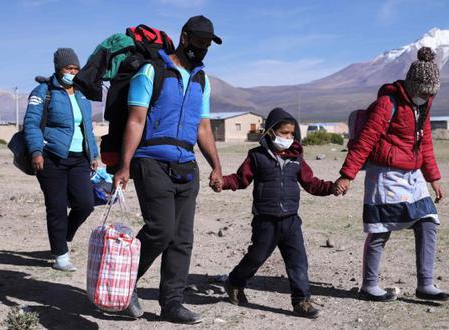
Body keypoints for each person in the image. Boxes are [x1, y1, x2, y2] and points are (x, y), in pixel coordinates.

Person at [112, 15, 223, 324]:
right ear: (184, 38)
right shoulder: (153, 71)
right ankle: (124, 284)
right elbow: (136, 120)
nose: (202, 48)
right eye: (198, 41)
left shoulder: (203, 79)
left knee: (182, 238)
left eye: (207, 44)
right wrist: (124, 165)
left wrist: (216, 165)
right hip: (150, 160)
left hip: (186, 165)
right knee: (161, 229)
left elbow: (203, 127)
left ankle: (172, 303)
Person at [334, 47, 449, 302]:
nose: (427, 96)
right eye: (424, 91)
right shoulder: (387, 104)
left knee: (428, 221)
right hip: (385, 175)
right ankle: (369, 285)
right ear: (412, 85)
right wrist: (347, 175)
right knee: (380, 228)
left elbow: (426, 142)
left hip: (412, 175)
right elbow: (365, 140)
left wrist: (434, 178)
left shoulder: (423, 106)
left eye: (432, 93)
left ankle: (426, 284)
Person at [216, 107, 338, 319]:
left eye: (292, 133)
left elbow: (311, 184)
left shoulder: (296, 159)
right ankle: (234, 282)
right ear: (271, 132)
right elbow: (240, 179)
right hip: (265, 220)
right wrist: (223, 182)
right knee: (256, 257)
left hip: (291, 220)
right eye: (284, 133)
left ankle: (301, 301)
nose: (289, 137)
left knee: (298, 261)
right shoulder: (256, 156)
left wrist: (332, 188)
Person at [23, 48, 99, 272]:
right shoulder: (44, 91)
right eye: (69, 68)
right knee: (56, 207)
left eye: (76, 68)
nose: (73, 72)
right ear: (58, 69)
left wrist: (93, 154)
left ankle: (62, 238)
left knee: (85, 204)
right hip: (51, 158)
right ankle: (60, 255)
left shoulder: (82, 94)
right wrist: (36, 151)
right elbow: (31, 124)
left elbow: (87, 128)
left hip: (79, 159)